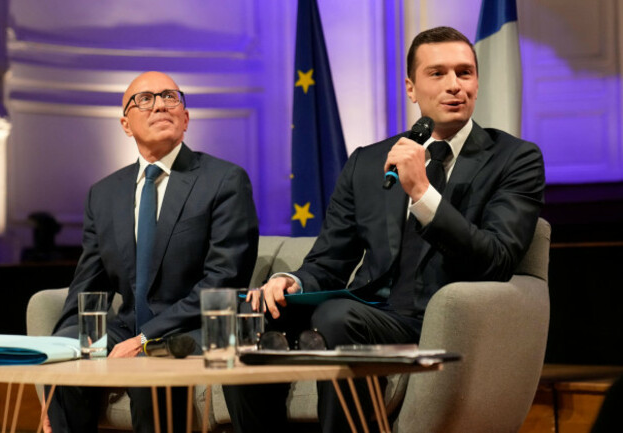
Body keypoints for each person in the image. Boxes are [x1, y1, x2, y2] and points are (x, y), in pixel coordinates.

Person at [224, 26, 545, 433]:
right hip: (371, 311)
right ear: (411, 88)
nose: (454, 86)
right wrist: (291, 281)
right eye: (438, 73)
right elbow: (330, 259)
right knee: (251, 314)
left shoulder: (514, 159)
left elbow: (497, 259)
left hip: (437, 318)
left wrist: (423, 193)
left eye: (464, 73)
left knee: (336, 316)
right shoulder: (368, 161)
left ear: (477, 83)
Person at [45, 71, 259, 433]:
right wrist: (59, 364)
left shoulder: (224, 180)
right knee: (67, 353)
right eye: (145, 98)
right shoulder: (104, 193)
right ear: (126, 124)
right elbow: (86, 285)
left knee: (147, 365)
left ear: (186, 118)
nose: (160, 103)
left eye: (170, 97)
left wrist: (145, 339)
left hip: (194, 326)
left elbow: (223, 279)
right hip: (125, 325)